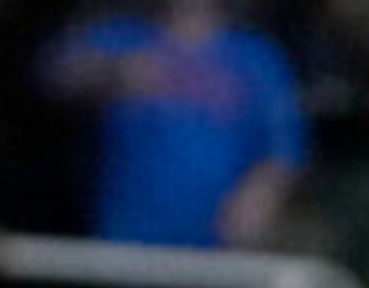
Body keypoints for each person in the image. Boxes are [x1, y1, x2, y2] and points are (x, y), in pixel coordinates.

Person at [46, 1, 305, 254]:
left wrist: (261, 195)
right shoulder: (122, 38)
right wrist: (109, 73)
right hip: (128, 238)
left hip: (223, 244)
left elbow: (284, 147)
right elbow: (55, 76)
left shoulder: (255, 56)